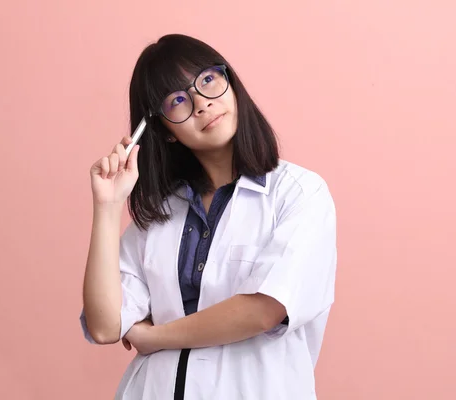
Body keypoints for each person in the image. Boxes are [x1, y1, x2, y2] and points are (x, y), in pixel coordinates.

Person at [80, 33, 337, 400]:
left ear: (229, 81)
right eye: (178, 101)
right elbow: (105, 325)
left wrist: (153, 336)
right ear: (164, 131)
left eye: (207, 81)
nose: (201, 104)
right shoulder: (159, 215)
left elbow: (265, 310)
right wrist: (107, 206)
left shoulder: (299, 193)